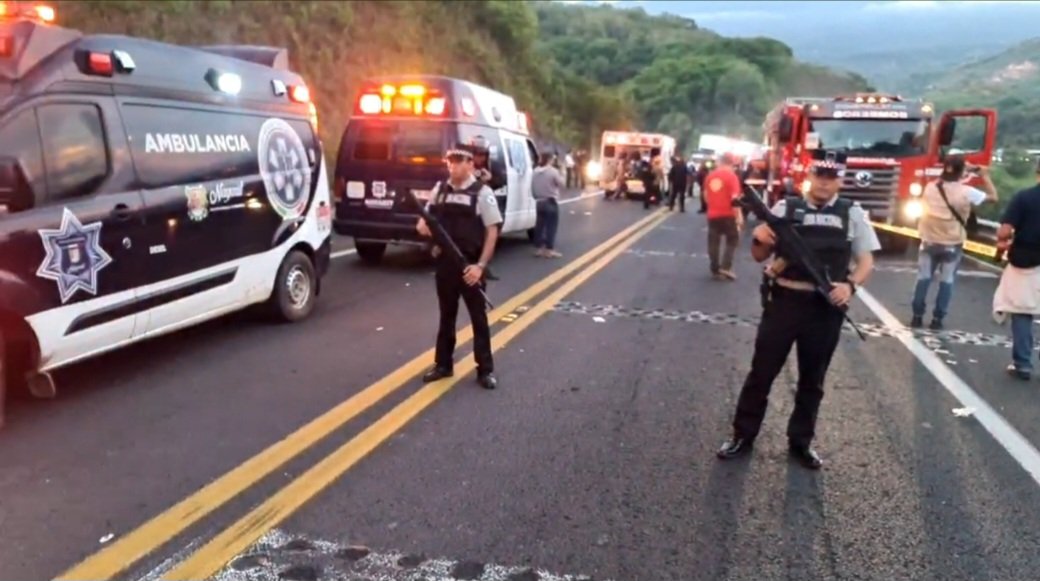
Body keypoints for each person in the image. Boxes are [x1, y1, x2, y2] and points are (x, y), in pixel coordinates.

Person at [716, 149, 880, 470]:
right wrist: (760, 239)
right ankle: (742, 435)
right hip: (785, 303)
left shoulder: (853, 214)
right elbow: (759, 255)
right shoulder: (785, 207)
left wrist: (849, 286)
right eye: (819, 175)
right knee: (761, 373)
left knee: (812, 380)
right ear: (810, 176)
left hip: (824, 309)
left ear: (840, 181)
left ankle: (801, 441)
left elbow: (866, 261)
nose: (824, 183)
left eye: (831, 177)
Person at [416, 143, 503, 390]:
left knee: (478, 319)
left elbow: (492, 230)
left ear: (470, 164)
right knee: (446, 316)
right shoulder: (439, 189)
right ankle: (443, 365)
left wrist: (481, 266)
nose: (452, 166)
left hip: (470, 265)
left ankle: (485, 370)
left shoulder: (481, 192)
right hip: (445, 263)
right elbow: (425, 221)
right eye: (450, 162)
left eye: (458, 161)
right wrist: (424, 227)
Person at [911, 154, 998, 329]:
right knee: (947, 280)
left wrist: (962, 168)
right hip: (952, 243)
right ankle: (938, 319)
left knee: (923, 278)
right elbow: (993, 197)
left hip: (928, 241)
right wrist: (984, 175)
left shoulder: (930, 187)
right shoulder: (967, 192)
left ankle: (917, 316)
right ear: (961, 171)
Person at [993, 158, 1040, 379]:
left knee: (1022, 312)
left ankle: (1022, 364)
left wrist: (1004, 242)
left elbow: (1004, 231)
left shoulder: (1024, 197)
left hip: (1026, 261)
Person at [703, 153, 744, 280]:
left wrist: (712, 206)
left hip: (713, 213)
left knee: (713, 241)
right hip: (728, 214)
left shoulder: (710, 176)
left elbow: (705, 195)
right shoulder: (732, 177)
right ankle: (725, 267)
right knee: (732, 240)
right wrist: (739, 216)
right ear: (731, 163)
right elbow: (735, 199)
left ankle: (714, 268)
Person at [532, 152, 565, 258]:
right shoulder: (553, 172)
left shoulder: (535, 171)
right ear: (549, 160)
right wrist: (563, 172)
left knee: (539, 226)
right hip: (550, 201)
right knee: (551, 226)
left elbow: (532, 187)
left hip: (539, 201)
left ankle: (539, 248)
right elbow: (562, 184)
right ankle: (549, 249)